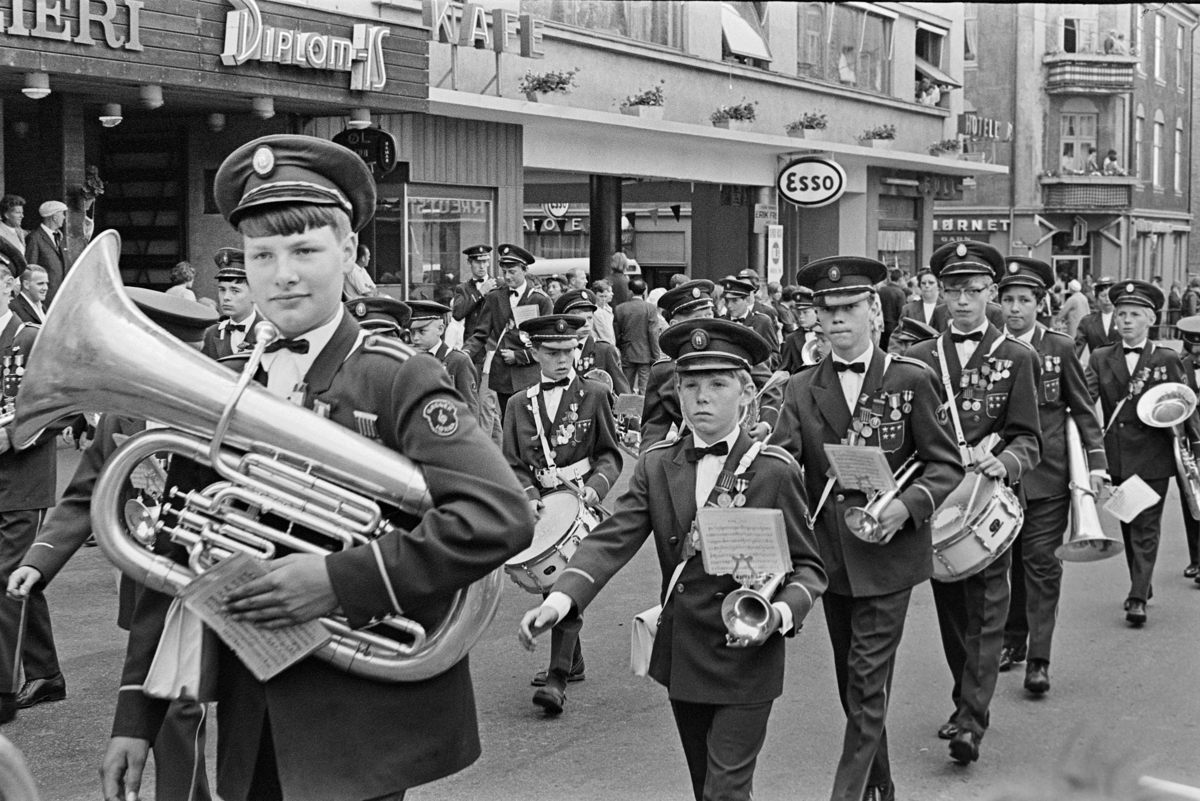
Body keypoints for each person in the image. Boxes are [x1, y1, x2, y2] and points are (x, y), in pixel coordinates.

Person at [99, 134, 535, 801]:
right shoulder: (223, 384)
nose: (283, 274)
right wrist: (137, 713)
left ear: (351, 254)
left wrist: (336, 579)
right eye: (263, 255)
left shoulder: (397, 379)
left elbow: (499, 515)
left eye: (305, 249)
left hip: (360, 726)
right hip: (254, 716)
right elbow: (176, 558)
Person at [519, 318, 827, 801]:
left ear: (746, 393)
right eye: (690, 385)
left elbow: (810, 569)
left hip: (749, 656)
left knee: (726, 790)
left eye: (717, 384)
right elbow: (611, 539)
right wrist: (560, 599)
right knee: (705, 787)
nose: (702, 397)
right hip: (685, 653)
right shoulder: (658, 464)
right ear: (677, 393)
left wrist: (780, 614)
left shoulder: (773, 470)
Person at [8, 289, 219, 801]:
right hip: (146, 578)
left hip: (216, 573)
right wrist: (40, 560)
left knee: (240, 705)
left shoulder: (222, 410)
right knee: (170, 697)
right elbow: (86, 493)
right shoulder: (122, 415)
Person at [770, 256, 962, 801]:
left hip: (889, 554)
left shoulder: (909, 378)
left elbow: (945, 463)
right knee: (851, 685)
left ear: (873, 310)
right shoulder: (802, 387)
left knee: (865, 679)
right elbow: (782, 466)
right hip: (830, 555)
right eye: (826, 311)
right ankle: (882, 784)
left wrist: (908, 507)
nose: (836, 321)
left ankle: (848, 793)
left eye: (849, 308)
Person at [907, 241, 1042, 766]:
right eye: (952, 290)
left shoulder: (1017, 358)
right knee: (952, 614)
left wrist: (1003, 463)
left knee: (988, 613)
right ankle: (965, 698)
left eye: (973, 291)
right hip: (938, 504)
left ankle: (971, 720)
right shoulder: (919, 359)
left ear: (991, 294)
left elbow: (1028, 437)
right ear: (939, 293)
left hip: (988, 503)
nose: (962, 301)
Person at [996, 257, 1108, 696]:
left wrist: (1097, 464)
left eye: (1024, 300)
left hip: (1047, 476)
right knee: (1007, 565)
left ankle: (1038, 659)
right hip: (1000, 478)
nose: (1015, 309)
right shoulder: (988, 346)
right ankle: (1012, 638)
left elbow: (1082, 409)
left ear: (1040, 304)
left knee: (1041, 565)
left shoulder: (1058, 348)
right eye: (1008, 300)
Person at [502, 314, 622, 715]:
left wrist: (597, 486)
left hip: (579, 503)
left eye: (568, 351)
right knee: (550, 583)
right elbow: (513, 462)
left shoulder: (594, 394)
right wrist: (529, 494)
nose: (562, 360)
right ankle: (574, 659)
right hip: (543, 507)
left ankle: (557, 678)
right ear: (535, 353)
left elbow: (609, 454)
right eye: (552, 353)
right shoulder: (520, 404)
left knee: (564, 585)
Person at [1085, 280, 1200, 627]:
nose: (1127, 320)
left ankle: (1136, 597)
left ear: (1151, 318)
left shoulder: (1165, 359)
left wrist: (1194, 446)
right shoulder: (1102, 357)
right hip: (1117, 455)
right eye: (1121, 313)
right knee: (1129, 523)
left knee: (1146, 527)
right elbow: (1084, 399)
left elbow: (1184, 403)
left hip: (1153, 455)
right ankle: (1143, 581)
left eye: (1135, 314)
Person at [0, 268, 62, 724]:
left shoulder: (30, 337)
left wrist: (15, 436)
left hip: (21, 478)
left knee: (2, 578)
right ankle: (46, 672)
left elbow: (63, 404)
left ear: (9, 286)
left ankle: (1, 691)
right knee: (19, 574)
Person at [642, 281, 780, 452]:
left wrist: (766, 424)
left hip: (742, 452)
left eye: (709, 315)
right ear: (674, 325)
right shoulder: (662, 372)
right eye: (697, 319)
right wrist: (647, 468)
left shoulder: (735, 353)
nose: (706, 324)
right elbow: (653, 431)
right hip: (690, 458)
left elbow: (770, 387)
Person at [464, 243, 553, 416]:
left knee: (532, 424)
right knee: (508, 423)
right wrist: (464, 352)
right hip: (503, 376)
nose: (507, 277)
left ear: (525, 270)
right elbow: (481, 334)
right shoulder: (494, 297)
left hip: (531, 374)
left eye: (512, 271)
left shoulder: (541, 300)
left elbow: (547, 339)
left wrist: (519, 356)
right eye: (504, 272)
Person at [453, 245, 501, 443]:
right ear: (470, 264)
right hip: (473, 353)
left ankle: (490, 451)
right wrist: (480, 293)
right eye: (477, 262)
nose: (482, 266)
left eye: (485, 261)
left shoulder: (499, 284)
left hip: (493, 352)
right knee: (481, 406)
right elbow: (457, 313)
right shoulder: (464, 289)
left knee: (488, 408)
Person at [406, 300, 479, 417]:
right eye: (411, 332)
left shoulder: (458, 361)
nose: (415, 338)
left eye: (422, 331)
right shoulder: (409, 359)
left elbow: (470, 408)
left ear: (440, 329)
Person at [554, 289, 630, 394]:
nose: (586, 324)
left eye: (590, 318)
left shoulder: (604, 350)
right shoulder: (555, 349)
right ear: (566, 321)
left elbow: (623, 390)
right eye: (580, 319)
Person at [202, 248, 262, 359]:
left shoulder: (270, 333)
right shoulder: (211, 334)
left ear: (254, 295)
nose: (226, 298)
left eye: (235, 290)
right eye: (222, 290)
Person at [1176, 315, 1200, 580]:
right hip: (1191, 443)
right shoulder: (1181, 366)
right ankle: (1196, 558)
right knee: (1191, 499)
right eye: (1194, 347)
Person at [614, 277, 662, 394]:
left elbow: (616, 332)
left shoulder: (619, 308)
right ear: (644, 291)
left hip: (627, 352)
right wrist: (656, 355)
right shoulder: (650, 308)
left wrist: (621, 347)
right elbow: (653, 332)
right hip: (645, 353)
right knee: (644, 388)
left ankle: (626, 412)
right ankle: (643, 412)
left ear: (630, 291)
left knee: (626, 386)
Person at [720, 277, 779, 369]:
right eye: (727, 301)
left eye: (735, 301)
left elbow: (775, 356)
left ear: (747, 300)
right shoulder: (721, 323)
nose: (729, 306)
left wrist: (757, 363)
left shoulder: (762, 322)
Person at [23, 200, 69, 304]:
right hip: (45, 298)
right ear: (54, 217)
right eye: (62, 214)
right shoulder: (35, 238)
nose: (64, 217)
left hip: (60, 296)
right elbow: (31, 269)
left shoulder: (58, 237)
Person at [1074, 277, 1119, 359]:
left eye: (1110, 295)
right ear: (1097, 297)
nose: (1107, 299)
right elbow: (1076, 351)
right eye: (1103, 295)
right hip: (1096, 369)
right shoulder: (1087, 322)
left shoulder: (1124, 320)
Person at [877, 268, 908, 351]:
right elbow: (902, 313)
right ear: (900, 279)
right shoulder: (900, 293)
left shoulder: (880, 291)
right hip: (894, 328)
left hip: (881, 327)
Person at [591, 279, 616, 345]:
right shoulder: (596, 311)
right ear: (594, 295)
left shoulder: (608, 308)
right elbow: (605, 334)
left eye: (605, 296)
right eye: (601, 296)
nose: (603, 299)